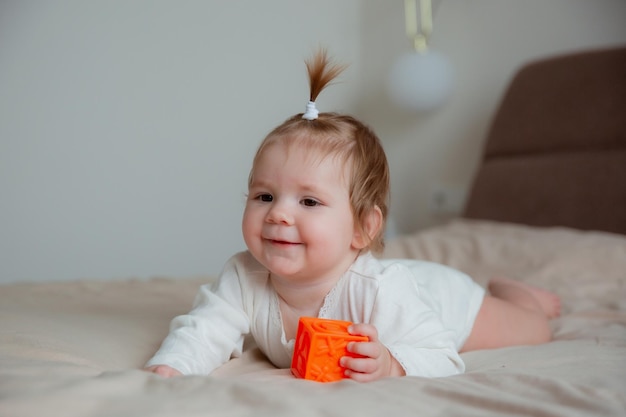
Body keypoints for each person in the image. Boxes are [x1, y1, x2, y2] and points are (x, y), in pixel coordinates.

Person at [145, 50, 561, 382]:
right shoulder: (243, 276)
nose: (278, 215)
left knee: (535, 329)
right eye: (265, 195)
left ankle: (519, 293)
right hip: (405, 279)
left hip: (444, 301)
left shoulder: (381, 292)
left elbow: (442, 355)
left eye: (309, 202)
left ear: (364, 228)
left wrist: (393, 364)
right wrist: (173, 366)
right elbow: (205, 329)